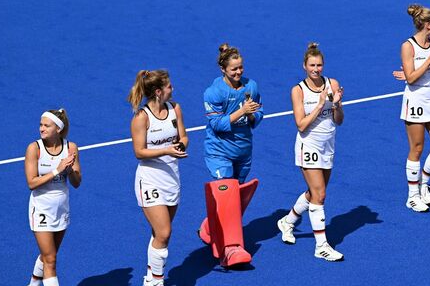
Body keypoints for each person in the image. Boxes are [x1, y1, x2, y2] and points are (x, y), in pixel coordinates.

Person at [277, 43, 345, 261]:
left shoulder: (332, 83)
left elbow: (339, 121)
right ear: (304, 66)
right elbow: (301, 125)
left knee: (314, 192)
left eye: (319, 65)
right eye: (312, 65)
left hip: (328, 145)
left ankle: (287, 221)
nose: (316, 69)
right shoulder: (298, 90)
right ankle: (321, 246)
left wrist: (337, 105)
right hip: (309, 146)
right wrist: (319, 105)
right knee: (320, 195)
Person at [201, 44, 263, 266]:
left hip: (243, 151)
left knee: (235, 199)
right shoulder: (213, 92)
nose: (238, 73)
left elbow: (259, 112)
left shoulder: (251, 86)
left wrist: (254, 115)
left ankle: (211, 226)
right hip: (219, 151)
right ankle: (232, 249)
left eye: (240, 68)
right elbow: (217, 124)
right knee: (228, 192)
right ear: (222, 69)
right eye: (233, 69)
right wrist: (242, 112)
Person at [128, 70, 189, 286]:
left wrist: (181, 145)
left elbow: (183, 136)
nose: (173, 89)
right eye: (169, 86)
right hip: (150, 180)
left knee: (160, 234)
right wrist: (166, 151)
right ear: (158, 91)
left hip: (172, 178)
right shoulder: (141, 118)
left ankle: (150, 275)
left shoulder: (175, 109)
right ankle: (156, 281)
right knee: (164, 232)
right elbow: (139, 152)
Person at [395, 4, 430, 212]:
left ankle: (424, 183)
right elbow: (410, 78)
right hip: (415, 102)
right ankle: (412, 196)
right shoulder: (408, 46)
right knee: (416, 149)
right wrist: (428, 60)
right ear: (427, 25)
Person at [25, 109, 81, 286]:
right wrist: (57, 169)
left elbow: (77, 182)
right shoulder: (34, 149)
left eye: (46, 125)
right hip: (41, 208)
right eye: (41, 124)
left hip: (61, 208)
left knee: (49, 254)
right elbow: (31, 183)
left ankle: (33, 283)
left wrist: (69, 169)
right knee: (51, 260)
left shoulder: (71, 148)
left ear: (58, 129)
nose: (41, 128)